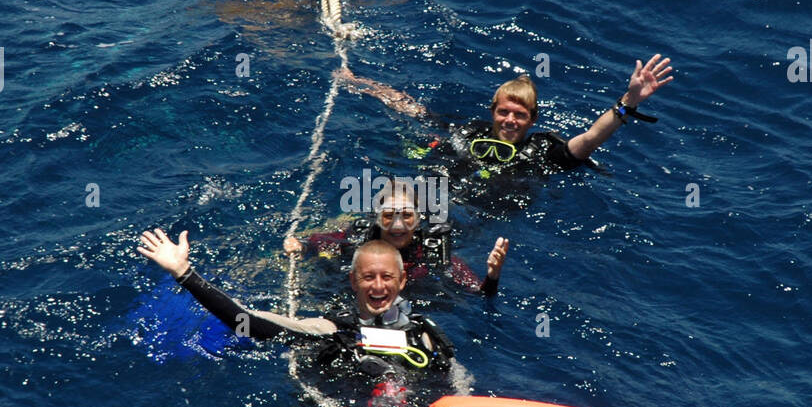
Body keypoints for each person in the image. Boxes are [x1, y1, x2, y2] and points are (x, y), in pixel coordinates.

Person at [137, 227, 459, 407]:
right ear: (353, 281)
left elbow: (457, 388)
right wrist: (184, 273)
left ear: (401, 282)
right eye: (368, 277)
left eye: (387, 277)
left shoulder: (426, 334)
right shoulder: (330, 329)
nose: (378, 286)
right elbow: (245, 321)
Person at [337, 54, 674, 179]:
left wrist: (628, 101)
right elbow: (413, 110)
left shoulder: (543, 150)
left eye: (520, 115)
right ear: (493, 113)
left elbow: (590, 138)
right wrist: (360, 84)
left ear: (532, 120)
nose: (511, 120)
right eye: (504, 112)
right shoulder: (470, 132)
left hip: (493, 214)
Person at [284, 182, 509, 296]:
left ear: (419, 220)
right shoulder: (358, 240)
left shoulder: (432, 254)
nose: (398, 225)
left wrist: (493, 275)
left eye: (407, 216)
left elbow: (478, 294)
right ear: (378, 218)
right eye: (389, 216)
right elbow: (317, 244)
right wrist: (300, 247)